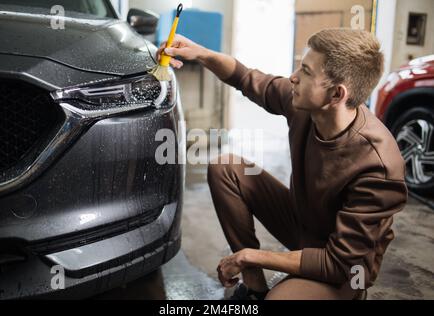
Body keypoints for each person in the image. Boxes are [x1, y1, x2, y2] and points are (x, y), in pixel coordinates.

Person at [157, 28, 408, 300]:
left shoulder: (379, 167)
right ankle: (254, 289)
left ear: (336, 95)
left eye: (306, 72)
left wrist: (252, 256)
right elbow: (245, 77)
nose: (293, 77)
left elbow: (339, 263)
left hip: (346, 267)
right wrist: (201, 53)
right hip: (304, 225)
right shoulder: (303, 102)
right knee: (225, 167)